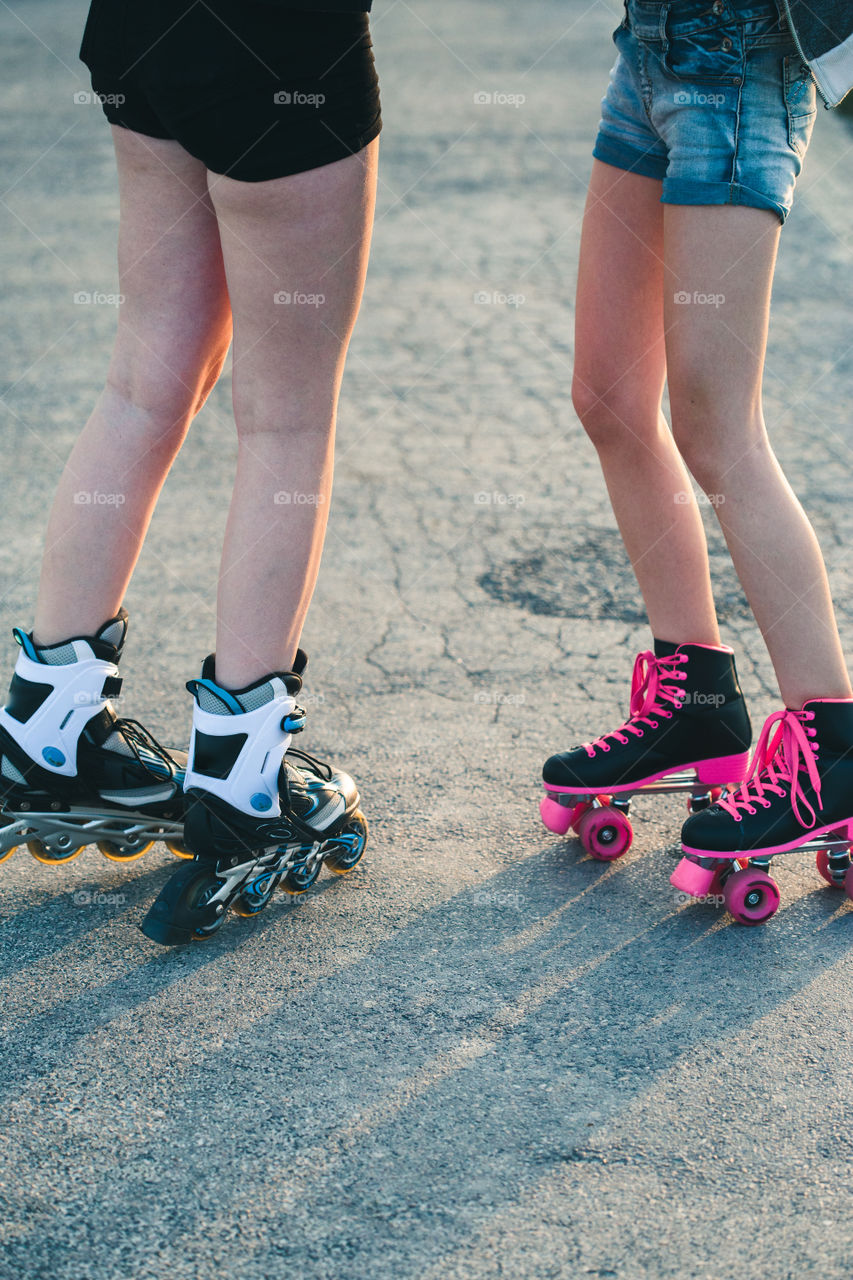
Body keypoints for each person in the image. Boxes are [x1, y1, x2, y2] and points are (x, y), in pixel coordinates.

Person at [0, 0, 379, 943]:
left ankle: (47, 728)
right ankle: (239, 785)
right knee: (287, 416)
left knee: (144, 382)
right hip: (283, 46)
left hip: (141, 31)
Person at [541, 0, 853, 906]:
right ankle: (696, 701)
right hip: (647, 49)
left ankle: (834, 749)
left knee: (716, 429)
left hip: (740, 63)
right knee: (608, 397)